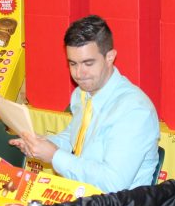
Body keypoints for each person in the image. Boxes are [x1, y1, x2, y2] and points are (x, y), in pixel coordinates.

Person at [10, 15, 159, 193]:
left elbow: (113, 184)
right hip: (84, 201)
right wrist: (41, 143)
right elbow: (74, 138)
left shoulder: (134, 110)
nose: (79, 73)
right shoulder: (82, 94)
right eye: (73, 64)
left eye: (88, 63)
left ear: (110, 57)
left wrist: (54, 156)